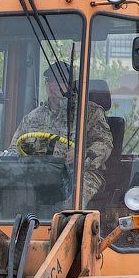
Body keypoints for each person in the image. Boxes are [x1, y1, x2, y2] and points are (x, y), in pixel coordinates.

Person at [8, 63, 113, 200]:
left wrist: (81, 156)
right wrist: (4, 155)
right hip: (40, 173)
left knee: (75, 199)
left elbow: (104, 144)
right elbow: (15, 147)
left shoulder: (89, 112)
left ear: (70, 85)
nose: (55, 86)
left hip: (81, 172)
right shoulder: (32, 117)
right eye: (51, 81)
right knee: (10, 191)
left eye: (61, 80)